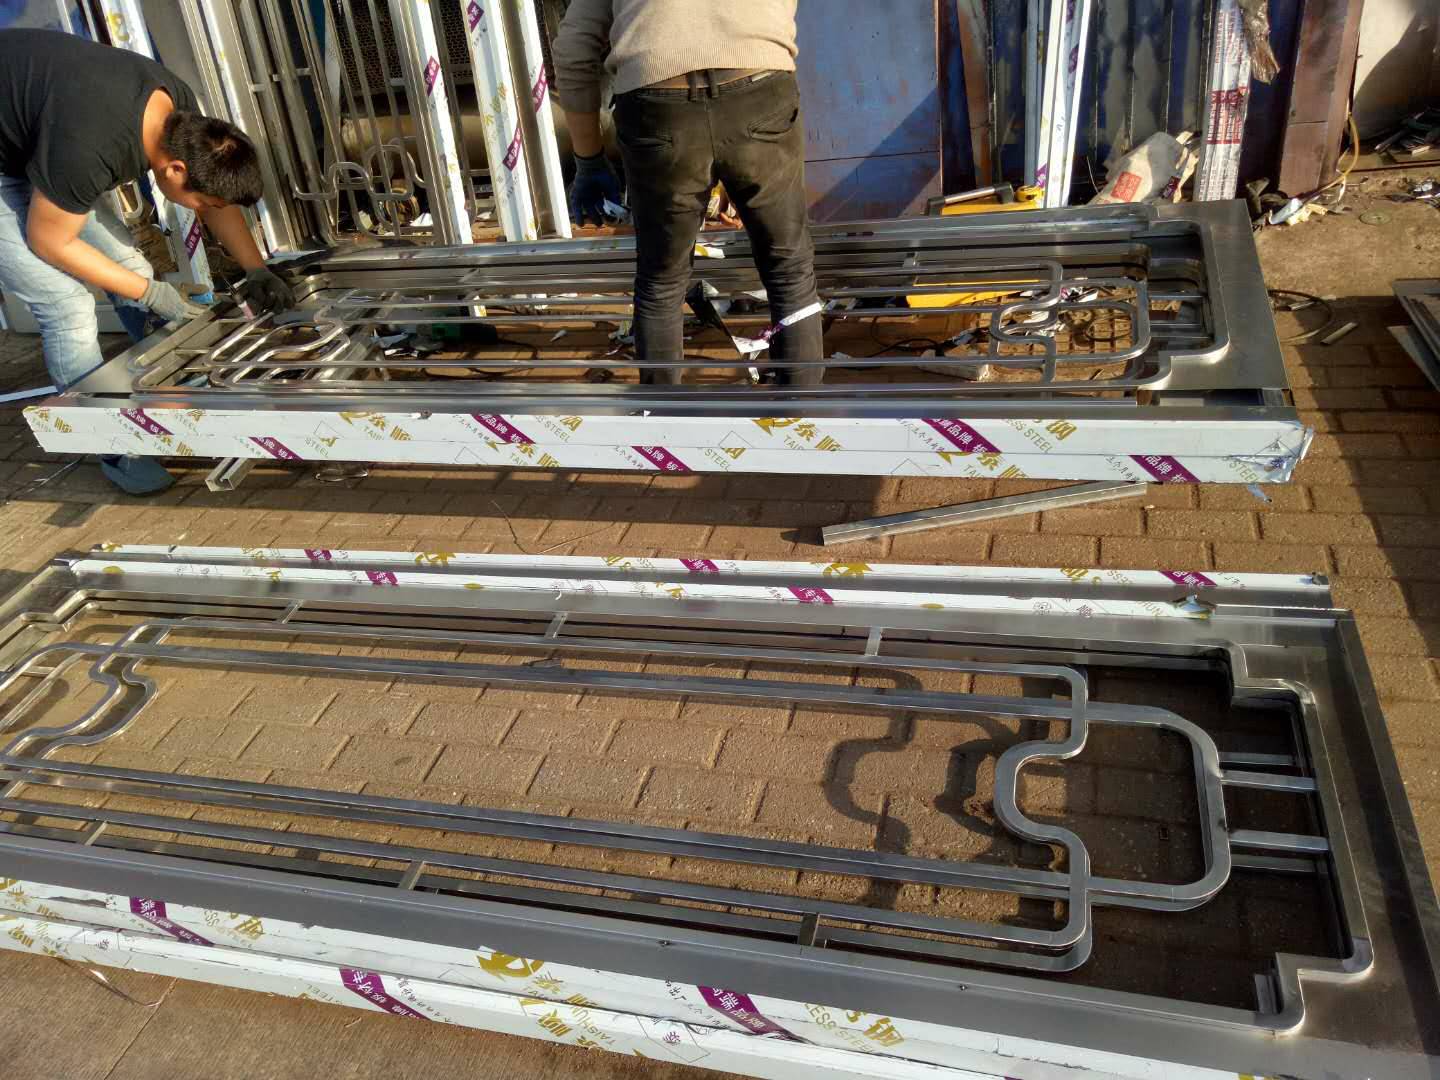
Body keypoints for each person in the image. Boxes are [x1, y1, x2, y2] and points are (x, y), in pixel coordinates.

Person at [0, 29, 295, 494]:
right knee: (66, 305)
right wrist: (155, 294)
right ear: (175, 170)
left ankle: (170, 386)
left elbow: (215, 203)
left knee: (131, 271)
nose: (206, 208)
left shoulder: (184, 117)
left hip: (33, 142)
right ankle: (114, 442)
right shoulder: (90, 147)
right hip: (29, 154)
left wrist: (256, 268)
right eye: (201, 200)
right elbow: (50, 241)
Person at [552, 0, 823, 387]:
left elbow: (573, 49)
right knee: (789, 269)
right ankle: (801, 408)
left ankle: (664, 417)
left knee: (661, 280)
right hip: (761, 88)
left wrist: (589, 159)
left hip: (657, 106)